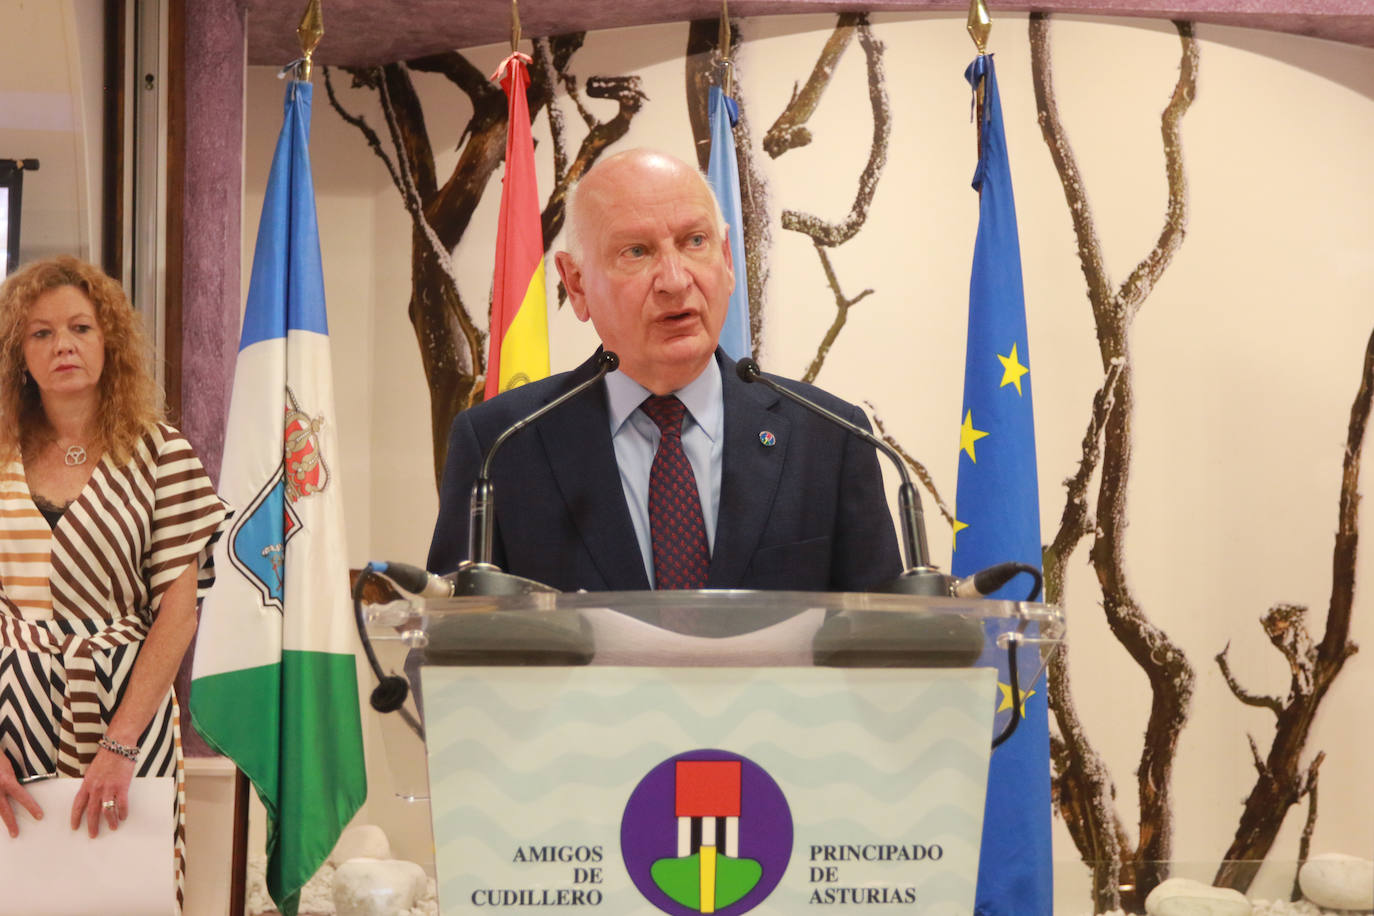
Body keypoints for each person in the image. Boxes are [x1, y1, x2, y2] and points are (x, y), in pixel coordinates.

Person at [428, 148, 900, 592]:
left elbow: (885, 646)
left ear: (728, 260)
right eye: (636, 251)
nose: (675, 281)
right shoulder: (501, 445)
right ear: (575, 284)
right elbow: (451, 649)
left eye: (695, 242)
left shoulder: (830, 437)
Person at [0, 256, 226, 910]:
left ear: (110, 342)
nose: (62, 345)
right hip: (9, 710)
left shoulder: (162, 456)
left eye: (80, 327)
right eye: (40, 333)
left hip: (129, 705)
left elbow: (178, 616)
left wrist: (122, 744)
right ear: (20, 353)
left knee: (128, 894)